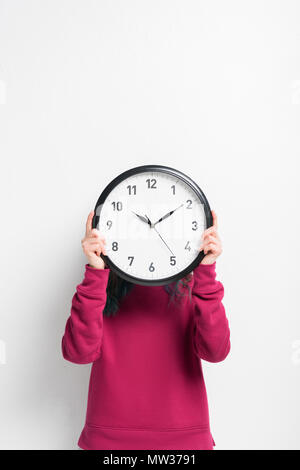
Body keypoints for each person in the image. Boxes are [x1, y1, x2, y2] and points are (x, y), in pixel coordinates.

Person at [62, 209, 230, 450]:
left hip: (183, 444)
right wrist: (96, 271)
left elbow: (216, 351)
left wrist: (206, 271)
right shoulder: (99, 288)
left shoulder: (193, 286)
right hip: (110, 443)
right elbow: (77, 353)